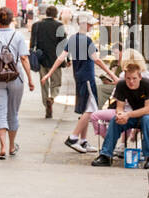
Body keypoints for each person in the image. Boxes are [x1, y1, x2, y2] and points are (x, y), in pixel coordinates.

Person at [43, 14, 118, 154]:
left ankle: (83, 141)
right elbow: (97, 60)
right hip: (87, 78)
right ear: (84, 24)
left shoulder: (73, 39)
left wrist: (48, 74)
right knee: (91, 110)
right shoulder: (87, 40)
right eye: (90, 24)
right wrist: (113, 75)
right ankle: (73, 138)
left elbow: (60, 58)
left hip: (79, 77)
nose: (91, 26)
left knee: (86, 109)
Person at [0, 7, 34, 159]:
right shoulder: (18, 36)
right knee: (13, 112)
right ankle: (11, 145)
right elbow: (24, 58)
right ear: (11, 20)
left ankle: (2, 145)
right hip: (15, 78)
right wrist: (29, 79)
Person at [91, 59, 149, 170]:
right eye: (128, 78)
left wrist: (128, 115)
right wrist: (120, 115)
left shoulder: (148, 84)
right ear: (124, 77)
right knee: (115, 120)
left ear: (140, 77)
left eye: (134, 78)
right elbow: (119, 107)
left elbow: (148, 110)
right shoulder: (122, 85)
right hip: (136, 116)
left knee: (147, 119)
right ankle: (105, 155)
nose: (131, 81)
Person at [30, 4, 65, 118]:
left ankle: (46, 105)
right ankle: (52, 98)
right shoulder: (59, 26)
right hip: (56, 60)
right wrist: (67, 59)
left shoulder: (37, 25)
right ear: (55, 14)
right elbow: (63, 44)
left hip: (41, 59)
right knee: (56, 83)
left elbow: (32, 44)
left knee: (43, 83)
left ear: (46, 13)